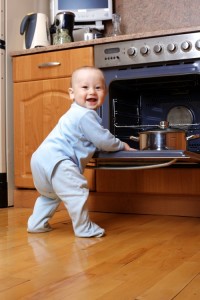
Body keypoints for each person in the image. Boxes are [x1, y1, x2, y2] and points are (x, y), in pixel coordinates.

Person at [27, 66, 134, 238]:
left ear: (105, 93)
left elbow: (88, 139)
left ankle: (36, 224)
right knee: (77, 191)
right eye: (85, 87)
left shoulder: (73, 114)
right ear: (71, 93)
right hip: (59, 159)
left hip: (40, 160)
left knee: (50, 196)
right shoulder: (85, 115)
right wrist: (122, 145)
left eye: (98, 88)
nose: (92, 91)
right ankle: (84, 228)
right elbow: (103, 140)